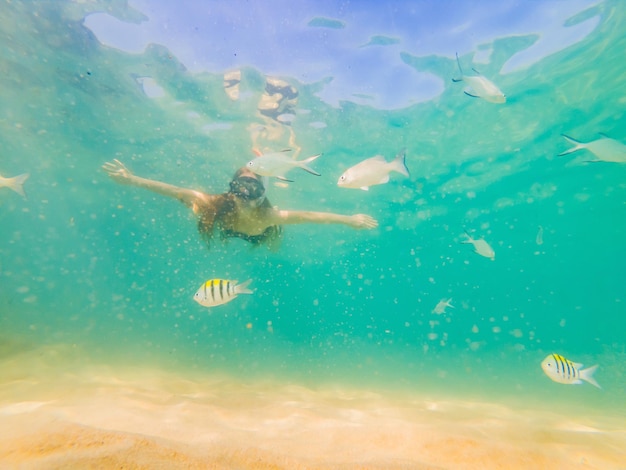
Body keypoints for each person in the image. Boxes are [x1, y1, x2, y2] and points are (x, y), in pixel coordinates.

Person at [101, 160, 378, 250]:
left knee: (273, 246)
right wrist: (131, 179)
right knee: (198, 207)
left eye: (252, 188)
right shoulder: (214, 202)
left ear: (261, 193)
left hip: (261, 236)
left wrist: (349, 219)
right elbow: (173, 191)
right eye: (239, 187)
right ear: (230, 189)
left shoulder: (270, 215)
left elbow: (309, 216)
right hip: (226, 225)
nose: (244, 194)